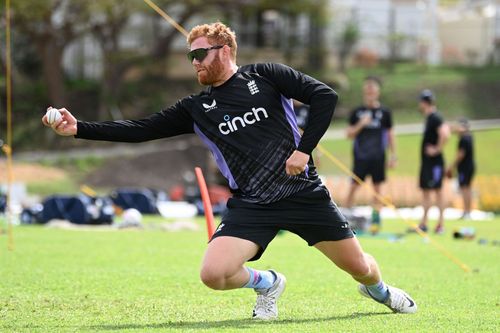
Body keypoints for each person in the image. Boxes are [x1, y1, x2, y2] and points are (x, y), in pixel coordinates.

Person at [43, 22, 416, 319]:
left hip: (302, 193)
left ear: (225, 49)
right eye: (191, 56)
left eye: (201, 53)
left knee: (361, 268)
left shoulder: (266, 75)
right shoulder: (196, 108)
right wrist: (79, 129)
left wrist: (304, 150)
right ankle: (268, 283)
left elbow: (325, 96)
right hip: (251, 203)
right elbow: (141, 130)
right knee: (214, 275)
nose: (195, 62)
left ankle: (379, 291)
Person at [345, 76, 396, 234]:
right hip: (361, 156)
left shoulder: (385, 112)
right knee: (354, 186)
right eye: (367, 90)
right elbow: (349, 134)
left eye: (373, 90)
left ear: (378, 92)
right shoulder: (357, 112)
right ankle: (345, 219)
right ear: (364, 92)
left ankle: (375, 221)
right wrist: (361, 124)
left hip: (378, 156)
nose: (370, 93)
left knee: (377, 189)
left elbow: (390, 134)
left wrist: (394, 155)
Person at [418, 89, 450, 234]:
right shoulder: (430, 118)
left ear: (424, 103)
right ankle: (424, 223)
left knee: (437, 192)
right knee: (426, 191)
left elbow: (445, 133)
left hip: (434, 163)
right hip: (428, 163)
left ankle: (440, 224)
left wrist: (437, 149)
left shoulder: (435, 117)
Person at [446, 118, 475, 219]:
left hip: (464, 168)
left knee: (465, 189)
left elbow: (460, 155)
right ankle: (467, 211)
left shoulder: (464, 139)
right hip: (469, 167)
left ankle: (466, 212)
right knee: (467, 188)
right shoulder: (469, 137)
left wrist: (451, 166)